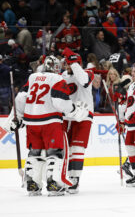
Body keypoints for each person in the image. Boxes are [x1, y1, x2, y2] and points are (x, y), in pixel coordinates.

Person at [2, 55, 89, 196]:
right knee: (55, 153)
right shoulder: (57, 78)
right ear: (55, 67)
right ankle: (54, 183)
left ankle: (32, 184)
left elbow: (20, 98)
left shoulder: (33, 77)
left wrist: (17, 117)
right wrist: (74, 110)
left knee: (35, 153)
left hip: (31, 122)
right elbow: (59, 101)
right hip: (50, 122)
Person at [61, 48, 94, 194]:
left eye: (71, 63)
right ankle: (64, 178)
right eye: (67, 63)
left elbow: (84, 81)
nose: (68, 66)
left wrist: (73, 61)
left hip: (83, 116)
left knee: (77, 149)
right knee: (63, 150)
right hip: (67, 118)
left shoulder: (88, 74)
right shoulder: (62, 76)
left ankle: (75, 179)